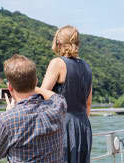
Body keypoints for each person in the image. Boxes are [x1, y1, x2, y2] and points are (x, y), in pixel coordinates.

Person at [0, 54, 67, 162]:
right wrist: (34, 87)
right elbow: (56, 96)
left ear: (10, 87)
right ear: (36, 82)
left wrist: (11, 112)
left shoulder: (7, 119)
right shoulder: (58, 106)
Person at [41, 25, 92, 163]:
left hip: (63, 124)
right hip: (83, 125)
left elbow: (42, 94)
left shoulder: (57, 63)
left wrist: (30, 88)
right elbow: (88, 103)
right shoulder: (87, 67)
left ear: (58, 44)